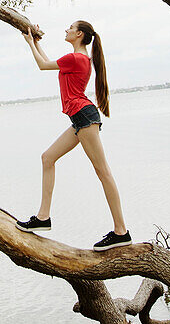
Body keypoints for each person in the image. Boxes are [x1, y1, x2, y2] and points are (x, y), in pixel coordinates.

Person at [15, 20, 132, 251]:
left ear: (79, 34)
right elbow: (49, 62)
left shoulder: (76, 59)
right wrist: (36, 43)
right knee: (48, 158)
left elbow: (42, 65)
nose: (66, 30)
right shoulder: (79, 59)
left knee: (103, 172)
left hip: (84, 118)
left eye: (70, 28)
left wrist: (30, 43)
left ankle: (121, 232)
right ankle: (43, 217)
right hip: (80, 119)